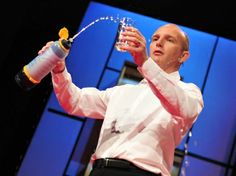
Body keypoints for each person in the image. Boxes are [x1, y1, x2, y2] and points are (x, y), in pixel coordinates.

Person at [39, 23, 204, 176]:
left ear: (183, 56)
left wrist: (145, 63)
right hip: (100, 170)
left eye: (169, 40)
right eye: (155, 39)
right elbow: (75, 101)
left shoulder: (188, 91)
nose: (159, 43)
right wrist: (59, 69)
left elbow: (184, 107)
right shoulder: (121, 92)